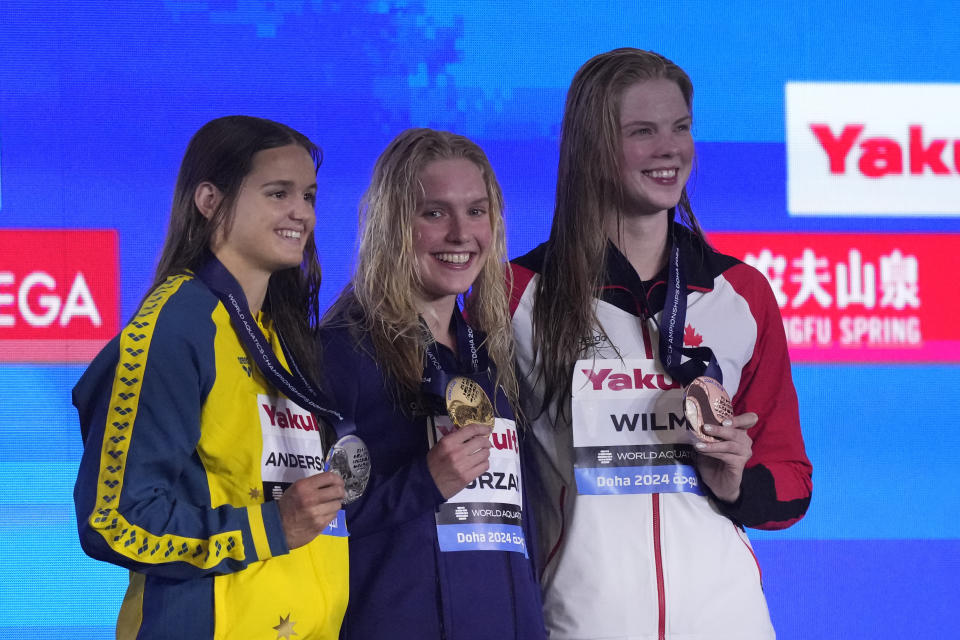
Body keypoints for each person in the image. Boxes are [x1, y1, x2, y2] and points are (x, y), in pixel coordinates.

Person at [508, 48, 813, 639]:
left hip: (728, 619)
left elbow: (792, 482)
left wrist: (737, 481)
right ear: (592, 147)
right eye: (642, 131)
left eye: (680, 128)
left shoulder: (740, 293)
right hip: (582, 620)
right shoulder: (515, 294)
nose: (670, 148)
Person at [73, 116, 348, 639]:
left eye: (309, 196)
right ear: (209, 200)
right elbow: (114, 519)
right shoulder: (175, 327)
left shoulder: (282, 338)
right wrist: (272, 527)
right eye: (278, 193)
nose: (301, 213)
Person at [319, 128, 547, 640]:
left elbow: (515, 529)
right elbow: (313, 523)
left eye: (476, 210)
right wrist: (424, 482)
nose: (461, 234)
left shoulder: (491, 357)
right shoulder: (341, 352)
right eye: (434, 213)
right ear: (393, 224)